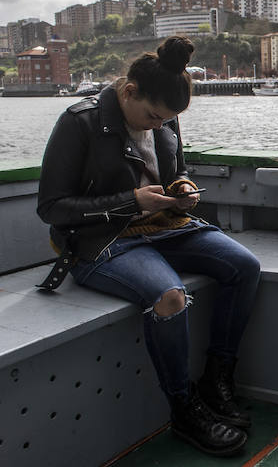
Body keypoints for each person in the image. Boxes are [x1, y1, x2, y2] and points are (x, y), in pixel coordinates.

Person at [36, 36, 260, 457]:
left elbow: (173, 171)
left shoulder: (164, 119)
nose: (159, 126)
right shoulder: (79, 121)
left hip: (164, 225)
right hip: (100, 241)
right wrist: (130, 201)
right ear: (128, 92)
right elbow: (52, 207)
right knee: (169, 297)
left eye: (167, 121)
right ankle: (183, 408)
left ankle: (218, 379)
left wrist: (184, 188)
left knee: (244, 266)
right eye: (153, 117)